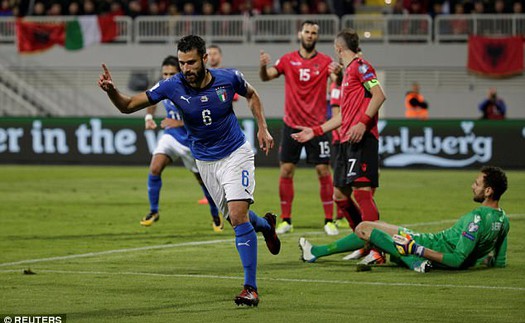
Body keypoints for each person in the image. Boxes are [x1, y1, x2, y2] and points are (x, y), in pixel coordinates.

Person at [98, 34, 281, 307]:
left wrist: (263, 128)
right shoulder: (172, 86)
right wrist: (112, 90)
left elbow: (252, 95)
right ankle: (266, 226)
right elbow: (128, 106)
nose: (186, 69)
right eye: (182, 63)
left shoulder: (229, 78)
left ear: (205, 59)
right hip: (205, 162)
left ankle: (250, 288)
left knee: (237, 214)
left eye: (191, 62)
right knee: (235, 219)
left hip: (235, 154)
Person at [299, 166, 510, 273]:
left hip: (428, 245)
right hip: (432, 242)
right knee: (378, 226)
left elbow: (457, 260)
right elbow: (499, 261)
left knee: (364, 228)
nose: (473, 186)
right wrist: (481, 259)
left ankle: (412, 260)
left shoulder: (476, 218)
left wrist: (416, 249)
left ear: (488, 191)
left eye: (477, 183)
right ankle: (315, 252)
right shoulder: (503, 219)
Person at [292, 28, 387, 264]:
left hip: (361, 139)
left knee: (362, 193)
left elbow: (379, 95)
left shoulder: (361, 66)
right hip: (345, 141)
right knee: (339, 195)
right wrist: (313, 131)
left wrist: (363, 124)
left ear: (338, 48)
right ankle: (364, 241)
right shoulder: (347, 76)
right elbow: (343, 116)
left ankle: (377, 250)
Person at [260, 20, 342, 236]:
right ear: (300, 34)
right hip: (291, 126)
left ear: (317, 36)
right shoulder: (288, 59)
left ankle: (329, 220)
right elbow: (266, 76)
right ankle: (286, 220)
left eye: (314, 33)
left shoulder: (325, 61)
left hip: (317, 127)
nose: (310, 35)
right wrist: (262, 66)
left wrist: (340, 73)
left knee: (323, 170)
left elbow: (338, 80)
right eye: (307, 32)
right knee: (286, 170)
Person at [141, 55, 222, 232]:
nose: (167, 77)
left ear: (179, 73)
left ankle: (216, 215)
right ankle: (153, 211)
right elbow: (150, 100)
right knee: (154, 168)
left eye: (171, 73)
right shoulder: (163, 86)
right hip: (171, 137)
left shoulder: (191, 89)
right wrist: (149, 118)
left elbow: (204, 117)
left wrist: (178, 122)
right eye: (164, 74)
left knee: (203, 181)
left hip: (192, 141)